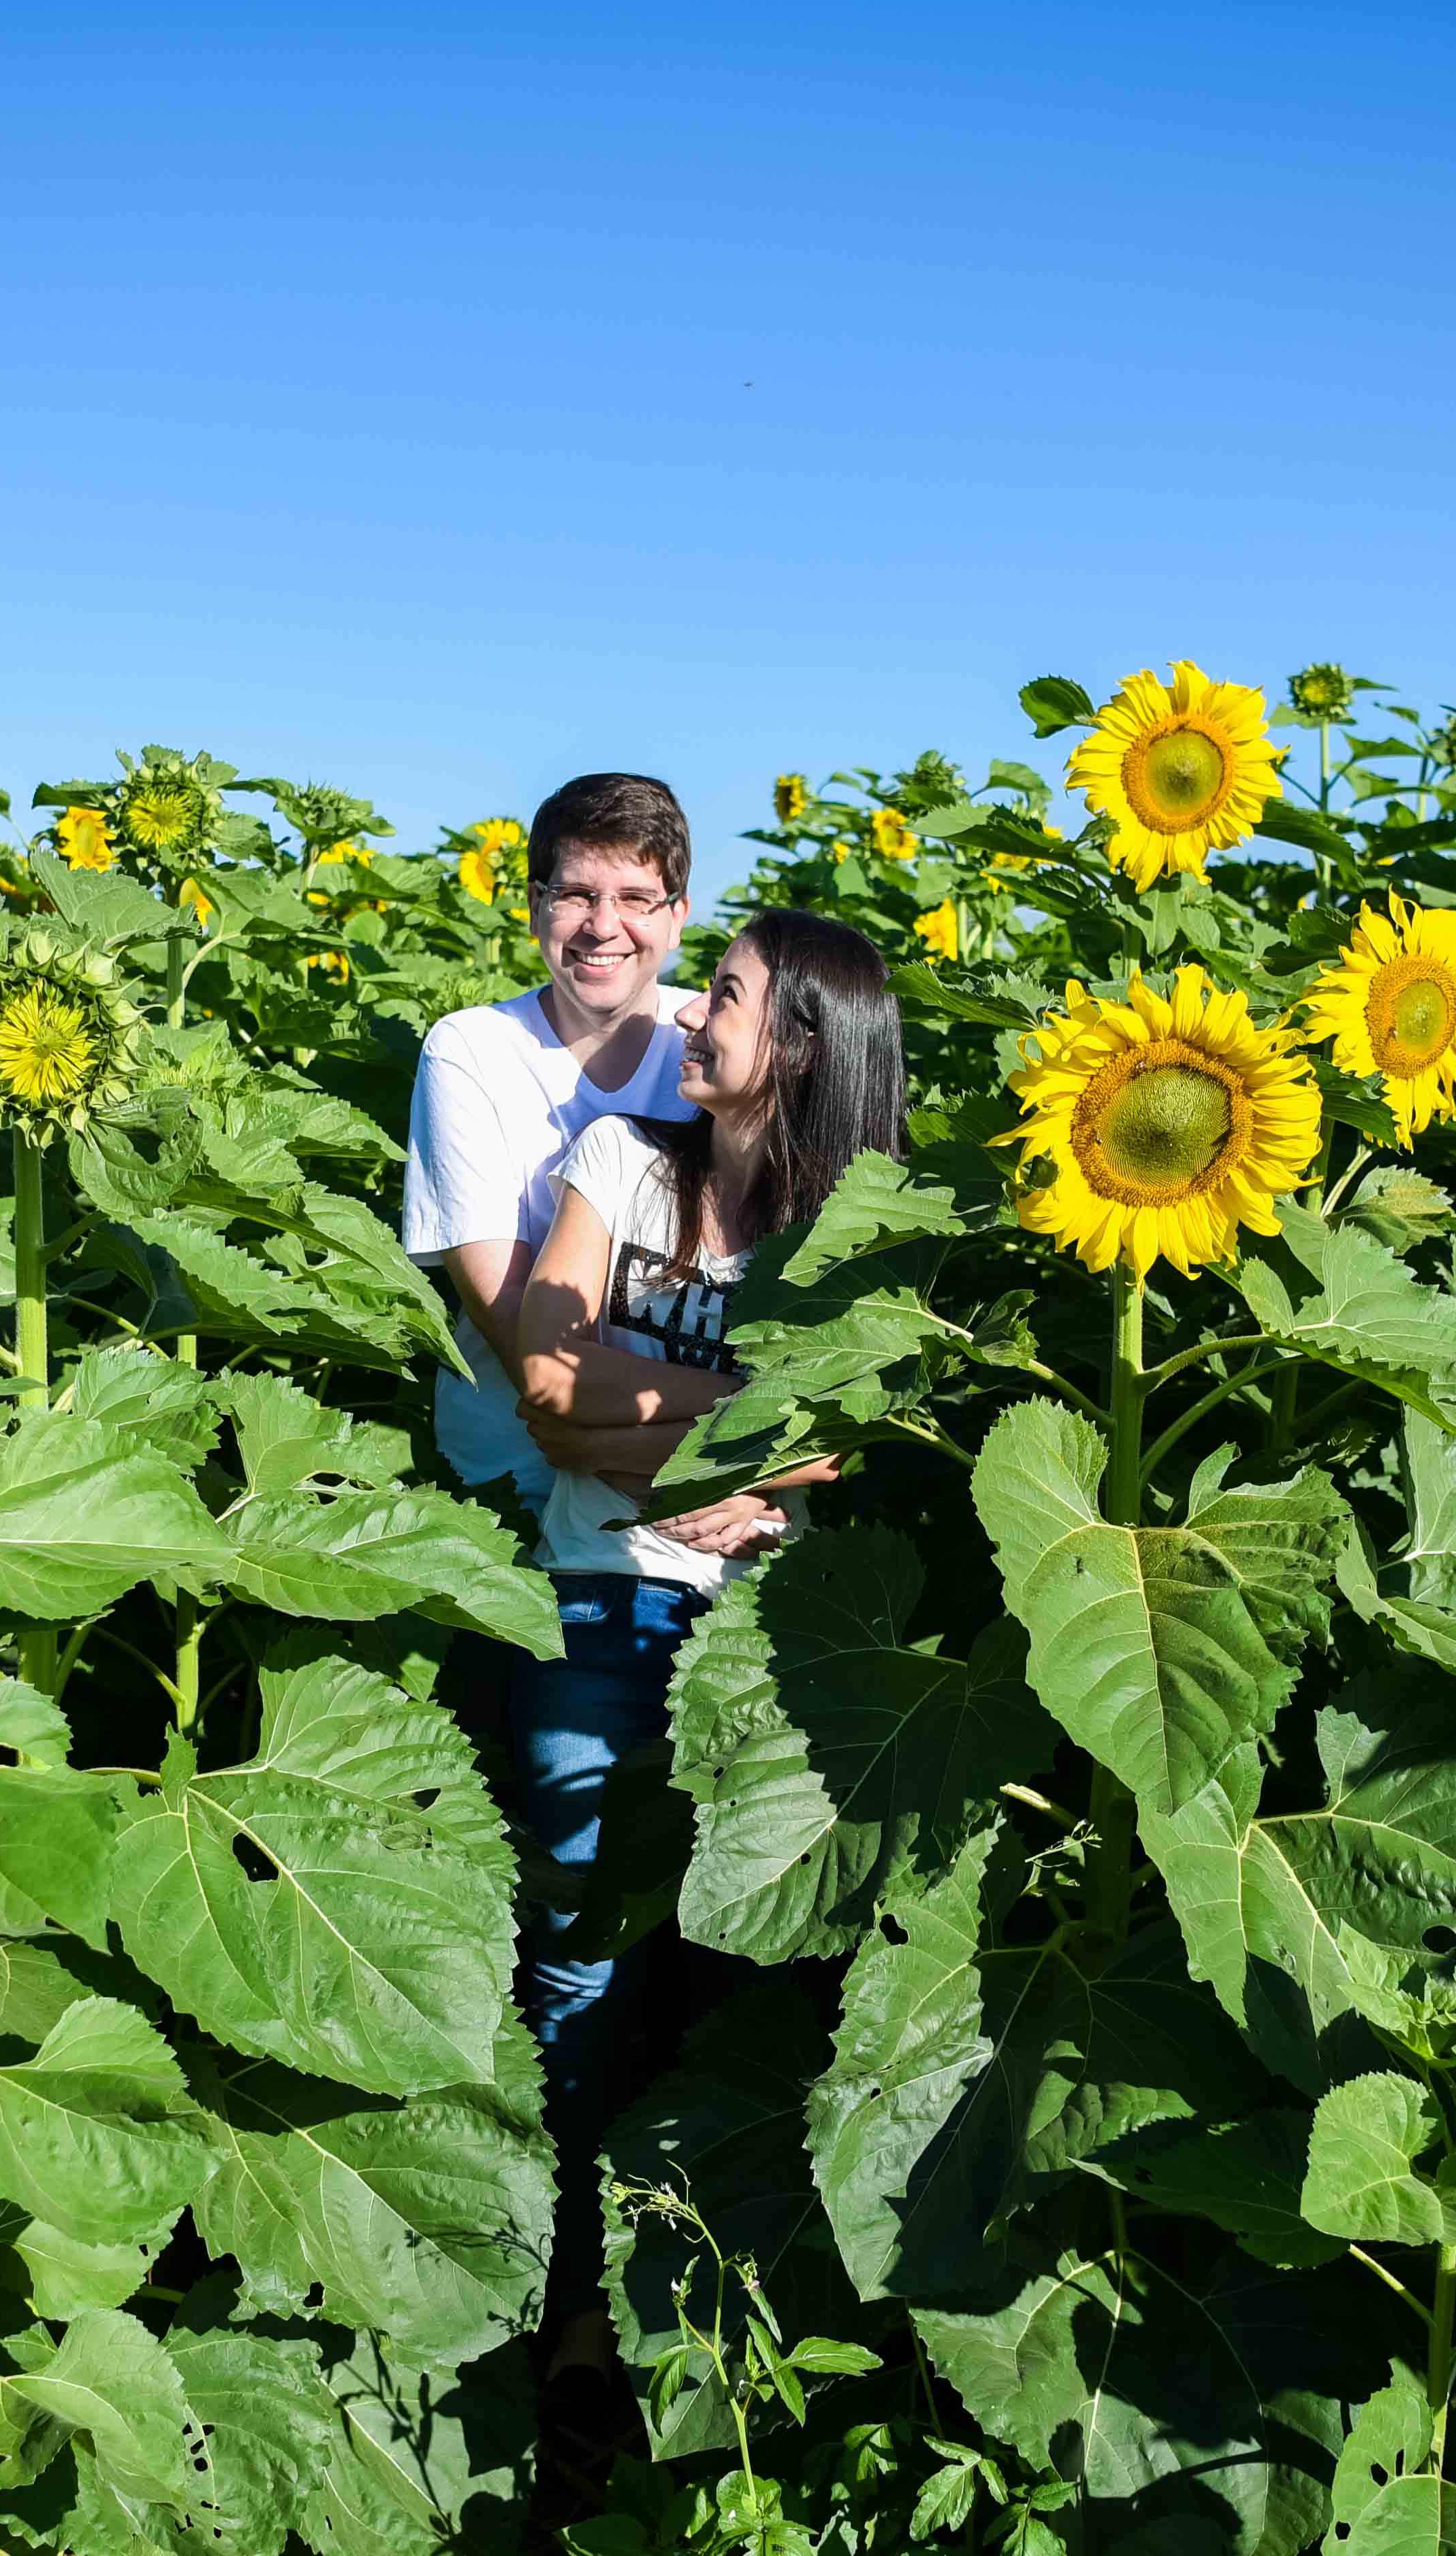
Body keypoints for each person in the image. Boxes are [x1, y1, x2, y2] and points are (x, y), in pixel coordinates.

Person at [505, 906, 908, 2455]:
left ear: (794, 1040)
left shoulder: (852, 1232)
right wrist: (697, 1453)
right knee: (580, 1959)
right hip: (603, 1595)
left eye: (722, 991)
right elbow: (543, 1370)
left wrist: (641, 1411)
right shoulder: (621, 1161)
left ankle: (694, 2322)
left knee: (743, 1980)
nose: (692, 1009)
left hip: (771, 1639)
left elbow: (838, 1436)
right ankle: (553, 2301)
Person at [397, 772, 787, 1567]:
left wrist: (725, 1470)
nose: (602, 925)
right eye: (574, 893)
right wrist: (694, 1472)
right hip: (507, 1482)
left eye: (637, 898)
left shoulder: (716, 1045)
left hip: (701, 1509)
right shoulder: (471, 1049)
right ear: (535, 904)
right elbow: (514, 1324)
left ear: (678, 917)